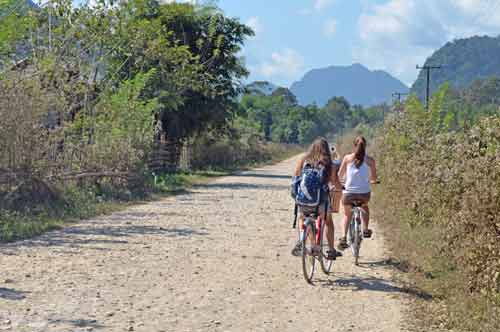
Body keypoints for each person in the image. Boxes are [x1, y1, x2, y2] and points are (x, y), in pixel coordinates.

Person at [292, 138, 343, 260]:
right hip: (320, 202)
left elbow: (296, 178)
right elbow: (335, 182)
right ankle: (331, 250)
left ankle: (307, 242)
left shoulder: (303, 160)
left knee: (303, 217)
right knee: (328, 222)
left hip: (303, 201)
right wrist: (341, 188)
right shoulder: (328, 163)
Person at [337, 136, 378, 250]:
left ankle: (344, 237)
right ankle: (365, 229)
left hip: (348, 194)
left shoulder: (347, 158)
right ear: (366, 146)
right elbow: (374, 177)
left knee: (346, 215)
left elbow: (339, 175)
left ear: (354, 146)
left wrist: (341, 182)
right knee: (365, 207)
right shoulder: (370, 160)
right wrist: (373, 180)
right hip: (364, 194)